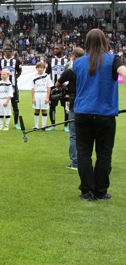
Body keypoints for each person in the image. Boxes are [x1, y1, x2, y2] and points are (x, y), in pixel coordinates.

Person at [73, 29, 126, 201]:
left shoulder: (78, 62)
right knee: (104, 154)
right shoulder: (112, 59)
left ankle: (87, 191)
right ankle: (101, 191)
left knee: (83, 153)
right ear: (104, 41)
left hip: (83, 112)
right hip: (104, 114)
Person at [56, 47, 84, 171]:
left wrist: (67, 86)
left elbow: (57, 83)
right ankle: (84, 160)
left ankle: (76, 161)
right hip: (87, 105)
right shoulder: (88, 70)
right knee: (85, 135)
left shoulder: (70, 71)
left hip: (74, 103)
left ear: (73, 57)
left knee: (74, 134)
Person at [0, 45, 22, 130]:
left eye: (8, 50)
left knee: (15, 105)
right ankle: (1, 124)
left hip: (12, 86)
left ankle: (16, 123)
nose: (7, 52)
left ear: (12, 51)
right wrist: (2, 80)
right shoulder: (0, 61)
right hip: (2, 87)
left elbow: (19, 72)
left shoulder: (16, 60)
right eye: (5, 50)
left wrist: (13, 79)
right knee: (1, 104)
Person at [46, 44, 70, 131]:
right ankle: (53, 125)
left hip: (65, 88)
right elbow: (47, 74)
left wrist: (67, 84)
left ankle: (66, 126)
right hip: (53, 88)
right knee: (52, 106)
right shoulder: (50, 60)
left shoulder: (68, 61)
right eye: (54, 49)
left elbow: (71, 73)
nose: (55, 50)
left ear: (62, 50)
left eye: (57, 49)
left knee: (66, 107)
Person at [31, 61, 52, 131]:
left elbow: (49, 87)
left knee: (44, 110)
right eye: (38, 67)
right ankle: (36, 126)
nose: (40, 69)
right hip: (37, 94)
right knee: (36, 110)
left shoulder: (47, 76)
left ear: (44, 68)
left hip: (44, 93)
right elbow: (32, 88)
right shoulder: (34, 76)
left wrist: (47, 97)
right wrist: (33, 97)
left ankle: (43, 126)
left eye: (41, 67)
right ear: (36, 68)